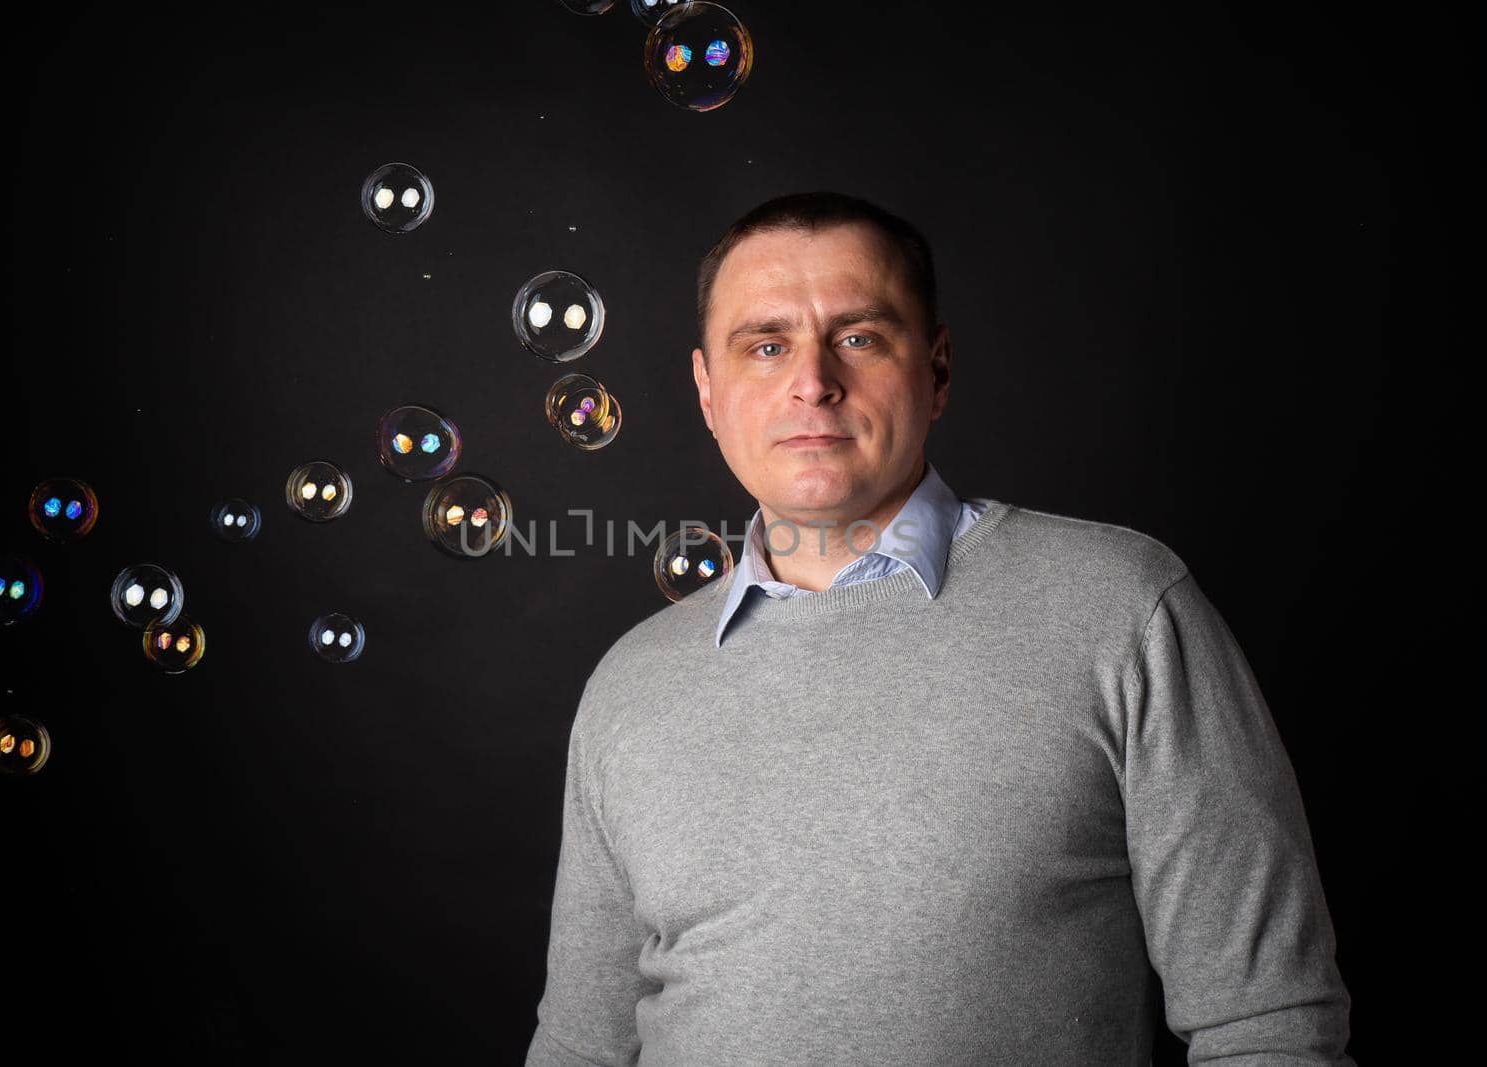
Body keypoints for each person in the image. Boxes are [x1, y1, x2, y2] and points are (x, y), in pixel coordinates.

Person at [525, 191, 1354, 1065]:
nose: (812, 381)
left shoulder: (1123, 609)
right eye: (766, 346)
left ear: (940, 369)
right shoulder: (631, 682)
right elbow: (582, 1044)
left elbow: (1268, 1027)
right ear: (707, 391)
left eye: (859, 337)